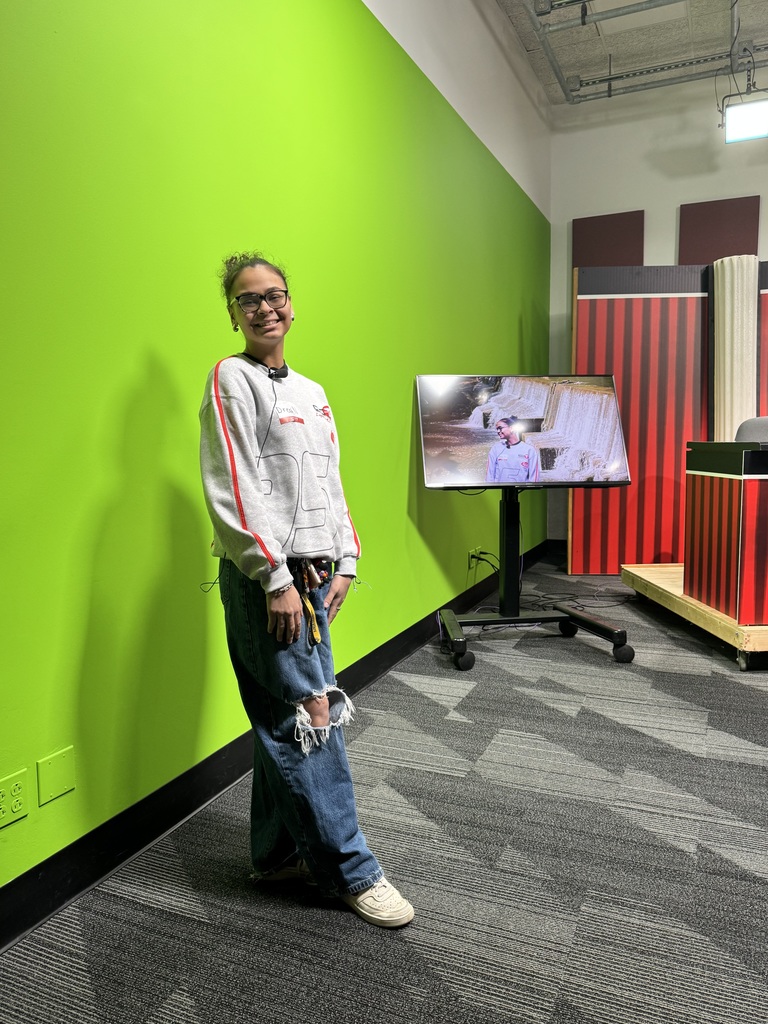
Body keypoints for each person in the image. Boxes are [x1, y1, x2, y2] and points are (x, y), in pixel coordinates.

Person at [199, 251, 414, 928]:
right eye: (248, 299)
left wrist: (346, 558)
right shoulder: (231, 379)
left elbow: (328, 482)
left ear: (292, 304)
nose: (265, 307)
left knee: (287, 714)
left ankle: (274, 855)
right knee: (314, 717)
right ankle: (352, 870)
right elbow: (234, 487)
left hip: (315, 576)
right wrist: (276, 579)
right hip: (274, 582)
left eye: (275, 295)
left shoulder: (313, 392)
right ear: (233, 312)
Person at [486, 417, 541, 483]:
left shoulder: (529, 450)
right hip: (500, 491)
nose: (498, 431)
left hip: (522, 491)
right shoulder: (495, 449)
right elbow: (489, 476)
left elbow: (534, 478)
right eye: (497, 429)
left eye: (500, 428)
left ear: (511, 428)